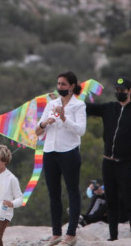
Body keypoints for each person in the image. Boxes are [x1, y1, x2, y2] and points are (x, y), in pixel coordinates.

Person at [86, 76, 131, 240]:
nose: (119, 93)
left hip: (126, 163)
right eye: (117, 90)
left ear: (130, 91)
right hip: (108, 162)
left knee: (130, 201)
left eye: (123, 90)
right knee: (110, 200)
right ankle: (113, 237)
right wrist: (74, 95)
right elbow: (88, 108)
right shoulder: (109, 108)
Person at [35, 71, 87, 246]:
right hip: (50, 151)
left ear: (72, 86)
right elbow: (37, 130)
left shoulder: (78, 106)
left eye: (63, 84)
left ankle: (71, 233)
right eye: (58, 84)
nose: (60, 88)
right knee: (53, 194)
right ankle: (56, 232)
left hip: (69, 152)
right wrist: (44, 123)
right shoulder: (51, 104)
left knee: (72, 192)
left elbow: (81, 130)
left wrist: (64, 118)